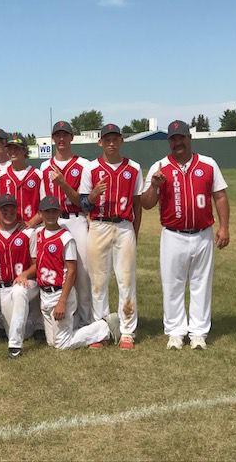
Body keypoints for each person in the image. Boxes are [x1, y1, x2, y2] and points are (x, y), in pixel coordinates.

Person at [141, 120, 230, 350]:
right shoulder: (159, 167)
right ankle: (175, 332)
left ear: (189, 138)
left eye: (181, 137)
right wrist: (154, 186)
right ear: (169, 142)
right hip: (173, 235)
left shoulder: (208, 164)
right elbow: (146, 204)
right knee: (172, 284)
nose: (177, 142)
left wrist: (224, 227)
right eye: (173, 139)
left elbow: (219, 196)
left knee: (202, 283)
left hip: (203, 234)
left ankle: (198, 332)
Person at [79, 123, 143, 350]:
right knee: (98, 281)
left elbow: (137, 204)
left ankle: (127, 331)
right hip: (98, 224)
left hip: (124, 225)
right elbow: (84, 204)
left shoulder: (133, 168)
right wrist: (94, 195)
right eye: (107, 139)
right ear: (100, 142)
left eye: (115, 139)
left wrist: (135, 232)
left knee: (126, 280)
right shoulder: (91, 168)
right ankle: (100, 330)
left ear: (122, 140)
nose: (111, 143)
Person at [35, 196, 120, 350]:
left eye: (54, 211)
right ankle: (89, 330)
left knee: (61, 344)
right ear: (40, 214)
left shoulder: (66, 237)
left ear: (60, 212)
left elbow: (72, 271)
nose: (51, 215)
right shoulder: (38, 233)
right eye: (47, 211)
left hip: (60, 293)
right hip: (45, 295)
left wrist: (62, 301)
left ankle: (104, 325)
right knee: (52, 342)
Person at [40, 121, 93, 330]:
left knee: (82, 271)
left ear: (72, 137)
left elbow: (84, 203)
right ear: (53, 139)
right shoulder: (45, 167)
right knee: (54, 269)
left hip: (76, 218)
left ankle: (87, 319)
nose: (61, 139)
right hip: (54, 221)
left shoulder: (83, 165)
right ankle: (65, 318)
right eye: (57, 135)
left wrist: (63, 184)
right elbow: (44, 202)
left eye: (65, 135)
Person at [0, 194, 37, 358]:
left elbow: (37, 263)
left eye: (12, 209)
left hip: (28, 283)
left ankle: (14, 346)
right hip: (4, 288)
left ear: (16, 209)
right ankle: (29, 325)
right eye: (4, 209)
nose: (8, 213)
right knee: (20, 330)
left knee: (19, 291)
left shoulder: (28, 232)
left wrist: (25, 274)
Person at [0, 136, 42, 228]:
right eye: (10, 148)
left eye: (16, 148)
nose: (12, 151)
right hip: (6, 228)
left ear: (25, 150)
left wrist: (30, 223)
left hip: (32, 228)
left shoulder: (38, 175)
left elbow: (44, 206)